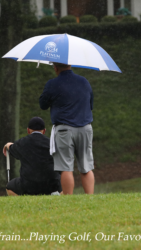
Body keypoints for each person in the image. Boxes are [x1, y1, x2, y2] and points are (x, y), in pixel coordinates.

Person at [39, 62, 95, 195]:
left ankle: (68, 200)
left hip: (64, 130)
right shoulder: (84, 82)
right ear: (70, 65)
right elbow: (90, 104)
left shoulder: (52, 84)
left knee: (66, 167)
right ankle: (90, 198)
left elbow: (43, 104)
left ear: (55, 67)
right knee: (86, 166)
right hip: (85, 128)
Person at [3, 117, 62, 196]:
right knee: (64, 184)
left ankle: (23, 204)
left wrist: (8, 145)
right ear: (44, 131)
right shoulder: (51, 143)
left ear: (28, 130)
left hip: (28, 185)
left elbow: (12, 148)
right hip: (51, 185)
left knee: (9, 187)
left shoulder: (23, 143)